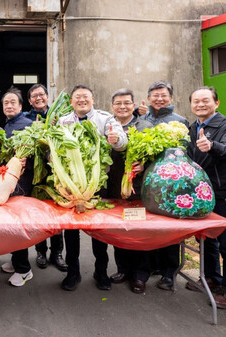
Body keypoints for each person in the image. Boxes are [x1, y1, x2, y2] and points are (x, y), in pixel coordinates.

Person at [57, 85, 127, 291]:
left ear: (93, 99)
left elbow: (122, 142)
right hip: (71, 186)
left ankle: (101, 271)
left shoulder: (105, 119)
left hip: (97, 184)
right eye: (77, 97)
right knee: (70, 231)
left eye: (85, 97)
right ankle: (73, 272)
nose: (81, 100)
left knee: (98, 230)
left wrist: (116, 141)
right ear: (71, 101)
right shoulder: (63, 121)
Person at [139, 81, 189, 291]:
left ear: (171, 98)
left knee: (169, 227)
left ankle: (169, 272)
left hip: (171, 183)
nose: (159, 99)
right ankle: (150, 267)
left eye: (163, 95)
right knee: (148, 226)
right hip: (147, 181)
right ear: (149, 98)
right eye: (155, 95)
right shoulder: (141, 119)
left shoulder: (180, 121)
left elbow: (186, 151)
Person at [106, 88, 154, 294]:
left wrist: (145, 164)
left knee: (139, 231)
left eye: (126, 102)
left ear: (133, 105)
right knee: (120, 229)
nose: (122, 106)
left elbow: (157, 154)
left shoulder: (144, 126)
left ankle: (140, 275)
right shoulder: (107, 127)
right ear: (112, 107)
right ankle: (123, 269)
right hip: (113, 185)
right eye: (118, 103)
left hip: (137, 187)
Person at [186, 86, 226, 308]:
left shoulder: (223, 124)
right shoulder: (193, 127)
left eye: (205, 100)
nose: (200, 104)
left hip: (222, 192)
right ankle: (212, 279)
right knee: (207, 239)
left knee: (225, 244)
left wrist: (213, 146)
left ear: (216, 103)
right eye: (196, 101)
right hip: (202, 192)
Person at [23, 84, 67, 272]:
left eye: (41, 95)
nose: (38, 98)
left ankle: (57, 253)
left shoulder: (60, 117)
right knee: (38, 214)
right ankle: (40, 251)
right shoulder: (25, 119)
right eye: (34, 96)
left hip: (56, 172)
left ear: (48, 97)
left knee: (56, 214)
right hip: (34, 172)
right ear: (30, 101)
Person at [0, 87, 35, 287]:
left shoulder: (27, 125)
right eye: (6, 103)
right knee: (11, 225)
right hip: (9, 180)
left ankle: (24, 270)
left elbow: (35, 157)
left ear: (21, 106)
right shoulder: (8, 125)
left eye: (13, 102)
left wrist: (24, 163)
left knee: (18, 226)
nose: (9, 105)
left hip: (20, 183)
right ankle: (16, 260)